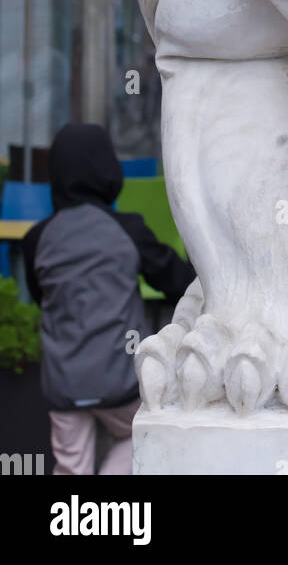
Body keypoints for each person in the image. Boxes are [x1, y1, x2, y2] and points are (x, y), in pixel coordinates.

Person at [22, 123, 194, 475]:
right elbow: (176, 280)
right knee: (143, 435)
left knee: (71, 464)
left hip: (63, 383)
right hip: (122, 381)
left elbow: (40, 296)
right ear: (108, 172)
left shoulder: (37, 239)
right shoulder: (128, 230)